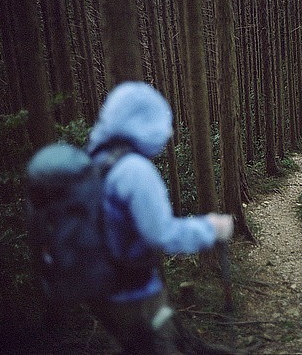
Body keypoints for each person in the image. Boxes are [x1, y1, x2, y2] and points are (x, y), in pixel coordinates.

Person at [85, 81, 234, 354]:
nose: (167, 132)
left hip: (103, 292)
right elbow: (162, 234)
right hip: (136, 293)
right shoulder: (134, 169)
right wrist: (211, 228)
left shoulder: (96, 160)